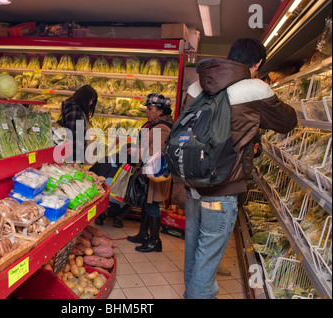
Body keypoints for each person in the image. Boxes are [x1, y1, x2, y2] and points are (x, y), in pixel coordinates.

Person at [181, 38, 298, 299]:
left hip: (192, 184)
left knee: (193, 254)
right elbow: (287, 121)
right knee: (206, 263)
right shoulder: (255, 88)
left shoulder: (197, 85)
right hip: (223, 189)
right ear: (256, 64)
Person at [126, 93, 174, 253]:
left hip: (155, 173)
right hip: (149, 172)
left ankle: (155, 241)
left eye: (150, 108)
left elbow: (154, 153)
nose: (147, 111)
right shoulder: (154, 124)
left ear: (161, 111)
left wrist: (135, 151)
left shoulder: (162, 127)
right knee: (147, 204)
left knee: (152, 205)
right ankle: (143, 234)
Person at [58, 84, 98, 162]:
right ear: (85, 99)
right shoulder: (75, 110)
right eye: (91, 100)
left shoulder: (75, 108)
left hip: (73, 152)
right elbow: (73, 135)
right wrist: (75, 158)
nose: (91, 103)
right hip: (73, 154)